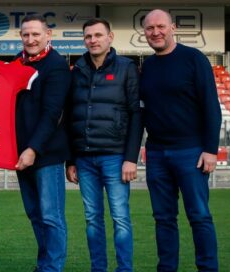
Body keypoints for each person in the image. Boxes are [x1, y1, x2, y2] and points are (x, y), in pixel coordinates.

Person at [140, 9, 221, 272]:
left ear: (172, 27)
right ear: (144, 32)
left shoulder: (193, 59)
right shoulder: (148, 66)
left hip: (191, 152)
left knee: (199, 216)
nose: (156, 32)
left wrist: (210, 150)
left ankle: (207, 268)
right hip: (157, 153)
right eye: (150, 28)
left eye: (160, 26)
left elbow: (211, 106)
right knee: (163, 219)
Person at [65, 18, 142, 272]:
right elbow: (71, 115)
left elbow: (136, 113)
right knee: (92, 219)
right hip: (85, 159)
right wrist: (72, 160)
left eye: (98, 35)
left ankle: (124, 269)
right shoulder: (77, 71)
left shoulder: (127, 68)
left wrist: (131, 157)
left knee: (120, 219)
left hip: (116, 157)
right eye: (88, 36)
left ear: (110, 37)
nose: (93, 40)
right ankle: (98, 268)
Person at [14, 14, 71, 272]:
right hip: (21, 155)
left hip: (45, 154)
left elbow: (52, 113)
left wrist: (33, 149)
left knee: (51, 216)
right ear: (20, 37)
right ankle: (44, 265)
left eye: (36, 34)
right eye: (26, 34)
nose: (31, 39)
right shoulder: (17, 63)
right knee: (35, 215)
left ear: (48, 35)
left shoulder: (56, 65)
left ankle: (51, 268)